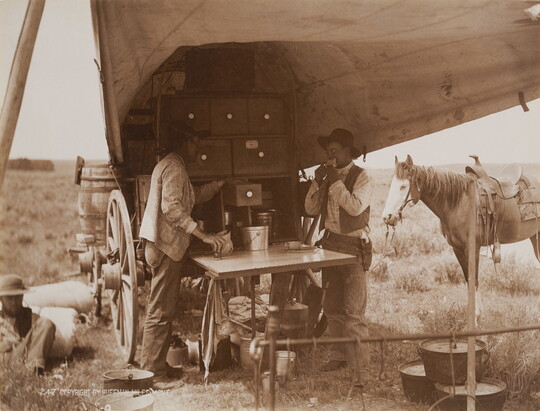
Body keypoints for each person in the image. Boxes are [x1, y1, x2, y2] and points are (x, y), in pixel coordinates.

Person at [139, 120, 230, 385]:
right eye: (196, 142)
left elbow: (193, 196)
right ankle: (153, 374)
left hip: (162, 246)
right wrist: (203, 234)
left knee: (163, 310)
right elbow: (173, 209)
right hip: (166, 247)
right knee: (159, 312)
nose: (198, 147)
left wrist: (217, 185)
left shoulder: (170, 163)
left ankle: (157, 366)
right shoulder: (176, 167)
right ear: (187, 143)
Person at [304, 128, 372, 387]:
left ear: (346, 151)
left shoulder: (362, 177)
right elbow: (309, 210)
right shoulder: (328, 177)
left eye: (334, 151)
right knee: (332, 307)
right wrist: (316, 183)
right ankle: (338, 356)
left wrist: (334, 182)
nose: (329, 155)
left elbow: (355, 207)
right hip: (330, 245)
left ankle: (360, 370)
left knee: (354, 311)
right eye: (327, 151)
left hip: (354, 248)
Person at [0, 274, 56, 375]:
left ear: (22, 296)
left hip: (26, 354)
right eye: (9, 298)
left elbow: (42, 334)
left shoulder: (30, 316)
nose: (14, 302)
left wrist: (22, 341)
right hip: (4, 359)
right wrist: (6, 344)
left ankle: (34, 369)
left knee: (46, 323)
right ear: (1, 299)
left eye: (17, 297)